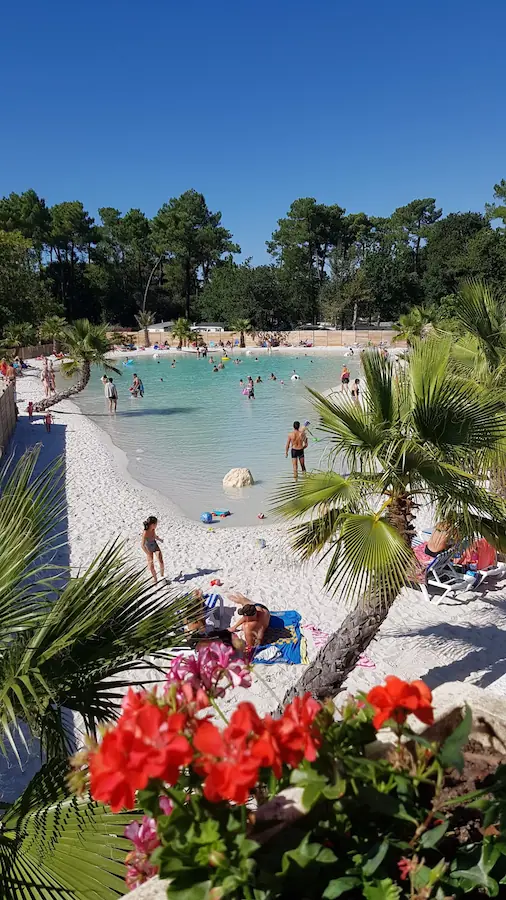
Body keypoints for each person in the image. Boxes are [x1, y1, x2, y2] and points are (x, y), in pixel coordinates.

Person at [141, 515, 166, 584]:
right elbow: (142, 545)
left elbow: (154, 536)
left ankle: (162, 577)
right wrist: (147, 553)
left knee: (161, 561)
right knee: (151, 565)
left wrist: (159, 539)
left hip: (154, 545)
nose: (157, 525)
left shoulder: (153, 529)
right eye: (156, 524)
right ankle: (155, 579)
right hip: (148, 548)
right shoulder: (145, 533)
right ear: (152, 524)